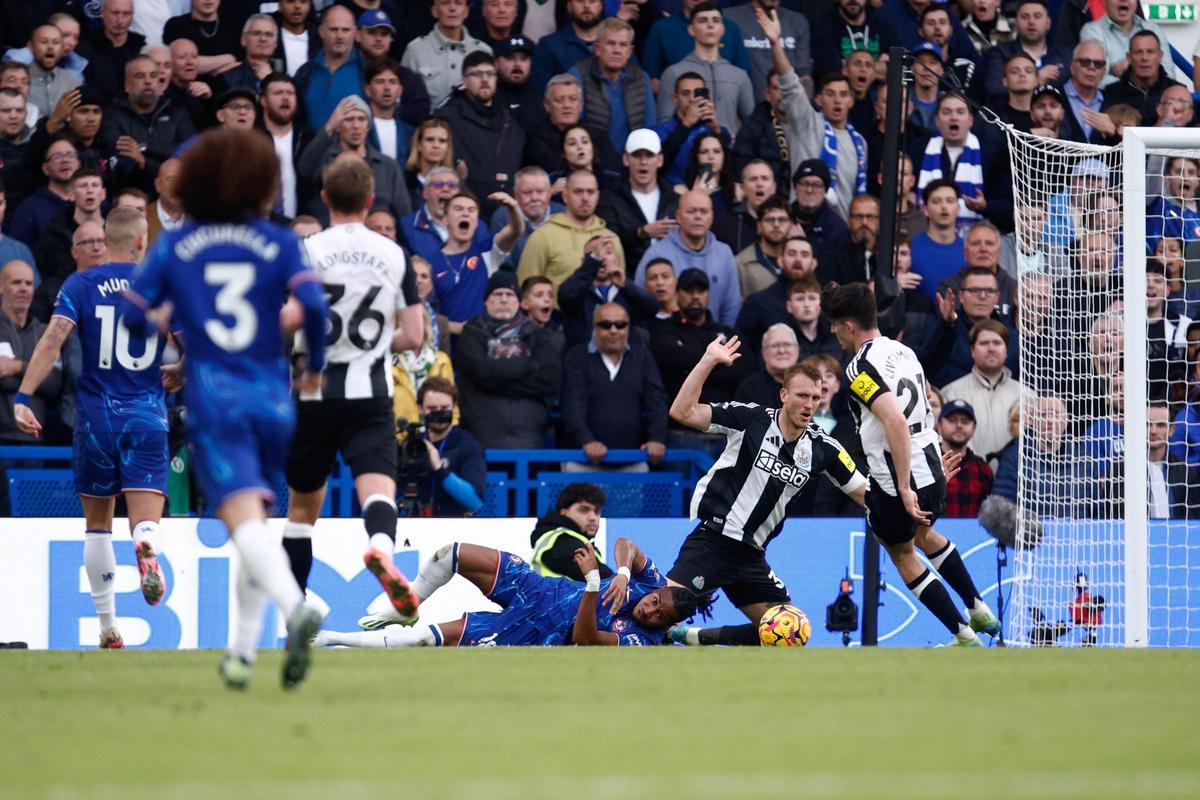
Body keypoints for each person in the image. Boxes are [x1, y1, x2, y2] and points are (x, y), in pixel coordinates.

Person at [117, 128, 330, 690]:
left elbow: (134, 316)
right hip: (273, 396)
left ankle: (295, 606)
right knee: (253, 524)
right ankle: (240, 653)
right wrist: (313, 367)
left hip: (216, 398)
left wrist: (164, 316)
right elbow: (313, 306)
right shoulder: (280, 241)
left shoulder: (176, 245)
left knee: (241, 520)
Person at [12, 208, 169, 649]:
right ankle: (147, 543)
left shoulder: (80, 284)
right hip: (147, 415)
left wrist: (23, 397)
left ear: (107, 242)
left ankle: (107, 626)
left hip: (97, 417)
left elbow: (53, 338)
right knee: (145, 518)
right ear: (141, 243)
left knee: (98, 525)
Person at [282, 155, 424, 609]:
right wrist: (379, 341)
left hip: (311, 388)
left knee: (302, 511)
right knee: (377, 487)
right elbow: (416, 335)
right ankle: (380, 548)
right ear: (369, 200)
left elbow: (287, 319)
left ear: (324, 199)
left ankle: (295, 609)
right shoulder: (394, 254)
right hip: (370, 390)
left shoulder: (306, 250)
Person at [822, 282, 998, 646]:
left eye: (835, 324)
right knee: (922, 534)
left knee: (902, 552)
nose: (834, 332)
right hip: (930, 466)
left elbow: (895, 421)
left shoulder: (859, 369)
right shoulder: (903, 352)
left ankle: (963, 635)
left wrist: (903, 487)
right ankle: (977, 607)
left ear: (849, 325)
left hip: (896, 475)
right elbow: (923, 405)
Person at [665, 351, 868, 646]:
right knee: (654, 614)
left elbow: (866, 494)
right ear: (783, 395)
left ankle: (691, 637)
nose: (809, 404)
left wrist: (911, 495)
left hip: (751, 556)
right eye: (802, 395)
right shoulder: (751, 419)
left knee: (791, 632)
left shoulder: (824, 449)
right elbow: (682, 412)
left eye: (815, 397)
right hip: (714, 541)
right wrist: (707, 360)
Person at [319, 537, 708, 647]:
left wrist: (593, 583)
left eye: (660, 617)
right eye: (654, 602)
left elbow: (585, 638)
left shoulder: (643, 642)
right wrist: (621, 572)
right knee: (451, 553)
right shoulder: (647, 582)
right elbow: (627, 543)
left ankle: (333, 640)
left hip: (538, 633)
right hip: (538, 588)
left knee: (428, 638)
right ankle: (409, 604)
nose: (650, 611)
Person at [765, 7, 866, 221]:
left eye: (843, 95)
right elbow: (790, 83)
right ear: (819, 100)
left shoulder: (860, 143)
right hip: (803, 226)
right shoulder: (807, 122)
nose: (837, 100)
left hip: (840, 234)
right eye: (830, 94)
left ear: (851, 100)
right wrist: (775, 44)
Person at [455, 270, 562, 448]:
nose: (503, 299)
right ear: (486, 300)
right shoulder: (471, 333)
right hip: (483, 431)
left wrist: (495, 382)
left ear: (518, 301)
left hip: (529, 431)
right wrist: (527, 364)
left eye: (510, 294)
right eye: (497, 294)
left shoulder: (537, 335)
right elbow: (482, 373)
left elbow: (550, 380)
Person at [561, 302, 668, 471]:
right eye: (605, 325)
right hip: (583, 461)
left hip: (633, 461)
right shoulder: (576, 357)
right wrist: (586, 440)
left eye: (620, 325)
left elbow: (657, 400)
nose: (613, 330)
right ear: (594, 328)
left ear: (628, 328)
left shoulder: (642, 356)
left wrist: (657, 438)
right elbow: (573, 404)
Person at [433, 51, 526, 216]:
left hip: (505, 211)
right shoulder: (447, 117)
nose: (484, 79)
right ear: (464, 80)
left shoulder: (510, 121)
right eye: (477, 74)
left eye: (490, 74)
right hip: (465, 210)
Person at [634, 190, 740, 327]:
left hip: (714, 339)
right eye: (691, 211)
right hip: (668, 339)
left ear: (712, 216)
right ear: (678, 216)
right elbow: (640, 300)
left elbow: (731, 306)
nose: (698, 217)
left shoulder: (724, 253)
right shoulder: (656, 253)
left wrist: (726, 340)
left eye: (704, 212)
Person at [518, 169, 620, 296]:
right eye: (578, 192)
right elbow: (526, 291)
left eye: (590, 192)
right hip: (555, 314)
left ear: (598, 196)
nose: (585, 198)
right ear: (565, 196)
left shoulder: (611, 238)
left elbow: (621, 287)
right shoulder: (541, 237)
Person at [657, 3, 754, 135]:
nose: (710, 25)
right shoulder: (673, 72)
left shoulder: (739, 75)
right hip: (686, 152)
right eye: (703, 20)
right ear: (691, 29)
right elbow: (664, 123)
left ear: (723, 29)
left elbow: (752, 126)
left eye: (716, 20)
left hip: (728, 151)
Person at [431, 190, 525, 323]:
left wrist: (513, 206)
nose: (465, 213)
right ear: (445, 220)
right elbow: (426, 312)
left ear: (476, 221)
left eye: (471, 210)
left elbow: (516, 230)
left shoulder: (487, 251)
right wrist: (453, 327)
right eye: (458, 209)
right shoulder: (430, 262)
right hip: (447, 341)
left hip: (483, 340)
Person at [939, 318, 1023, 463]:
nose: (991, 348)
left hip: (1012, 477)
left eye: (997, 343)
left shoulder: (1026, 395)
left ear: (1006, 350)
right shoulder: (950, 393)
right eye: (984, 343)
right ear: (972, 350)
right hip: (968, 477)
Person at [567, 18, 654, 158]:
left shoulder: (642, 78)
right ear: (597, 48)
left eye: (623, 45)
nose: (617, 50)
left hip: (632, 162)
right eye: (611, 43)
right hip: (593, 161)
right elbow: (571, 126)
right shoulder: (578, 75)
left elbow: (649, 129)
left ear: (630, 51)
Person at [596, 130, 679, 270]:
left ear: (660, 160)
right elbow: (608, 244)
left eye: (649, 155)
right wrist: (641, 232)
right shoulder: (609, 200)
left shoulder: (675, 200)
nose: (643, 162)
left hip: (670, 280)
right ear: (626, 159)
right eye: (637, 155)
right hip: (628, 280)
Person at [405, 376, 486, 517]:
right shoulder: (413, 445)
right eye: (432, 408)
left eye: (444, 408)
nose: (439, 412)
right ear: (420, 408)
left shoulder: (467, 445)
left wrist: (439, 469)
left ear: (454, 406)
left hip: (453, 527)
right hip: (414, 525)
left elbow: (475, 502)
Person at [0, 260, 61, 443]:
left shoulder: (45, 333)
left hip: (34, 437)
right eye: (16, 282)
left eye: (28, 283)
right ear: (1, 286)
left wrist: (17, 366)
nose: (23, 288)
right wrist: (36, 375)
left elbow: (54, 383)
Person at [402, 0, 492, 107]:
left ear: (466, 12)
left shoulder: (483, 51)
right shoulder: (415, 50)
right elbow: (405, 99)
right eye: (445, 3)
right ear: (434, 11)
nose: (452, 8)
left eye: (458, 3)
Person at [1079, 0, 1174, 88]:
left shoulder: (1153, 29)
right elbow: (1097, 78)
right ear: (1104, 2)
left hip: (1154, 101)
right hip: (1112, 102)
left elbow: (1169, 75)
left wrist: (1128, 69)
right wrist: (1141, 80)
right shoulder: (1092, 31)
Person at [527, 482, 609, 578]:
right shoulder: (560, 540)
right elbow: (608, 582)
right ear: (564, 512)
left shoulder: (575, 540)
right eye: (584, 510)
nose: (593, 518)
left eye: (597, 512)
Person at [935, 399, 993, 518]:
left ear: (974, 429)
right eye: (952, 420)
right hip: (932, 534)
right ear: (939, 425)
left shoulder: (983, 469)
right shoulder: (928, 463)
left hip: (973, 535)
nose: (959, 425)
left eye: (965, 421)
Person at [733, 193, 790, 300]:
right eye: (769, 220)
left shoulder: (799, 259)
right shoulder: (741, 264)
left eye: (782, 220)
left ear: (790, 225)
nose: (776, 225)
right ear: (759, 226)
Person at [734, 322, 799, 407]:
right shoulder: (749, 389)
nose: (782, 351)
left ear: (797, 350)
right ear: (764, 352)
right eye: (775, 346)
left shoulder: (810, 383)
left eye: (787, 344)